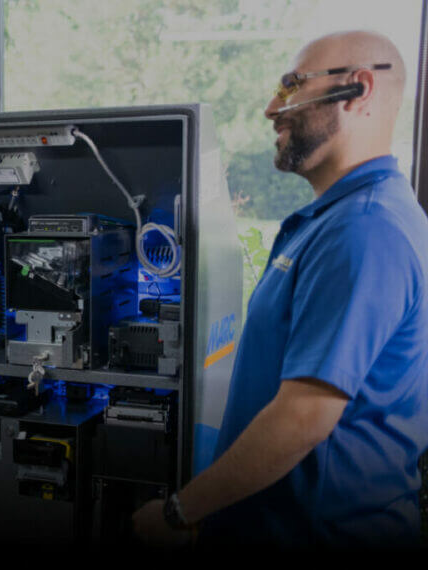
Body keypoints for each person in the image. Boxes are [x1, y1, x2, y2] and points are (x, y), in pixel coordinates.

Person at [132, 30, 428, 548]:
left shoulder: (364, 228)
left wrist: (181, 513)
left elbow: (304, 415)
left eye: (293, 85)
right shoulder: (336, 219)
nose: (273, 107)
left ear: (359, 90)